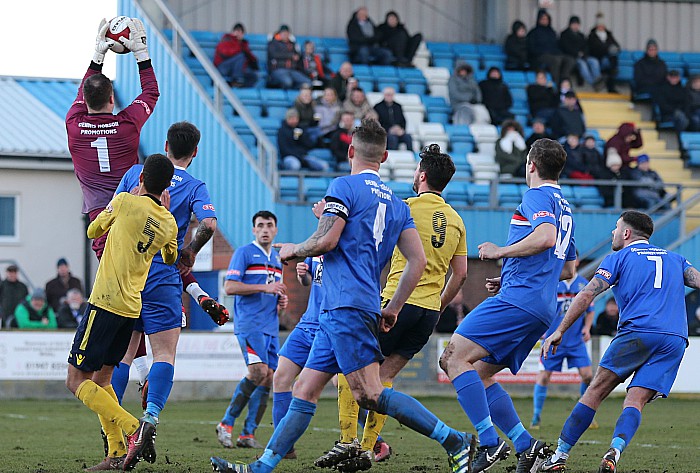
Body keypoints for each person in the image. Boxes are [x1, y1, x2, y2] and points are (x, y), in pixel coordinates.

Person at [211, 119, 475, 473]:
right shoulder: (399, 205)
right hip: (353, 306)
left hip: (344, 307)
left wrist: (293, 251)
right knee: (304, 388)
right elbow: (419, 261)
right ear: (383, 156)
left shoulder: (344, 187)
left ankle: (454, 439)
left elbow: (326, 240)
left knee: (371, 393)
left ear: (351, 151)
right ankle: (261, 467)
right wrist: (394, 306)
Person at [325, 144, 468, 470]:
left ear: (421, 175)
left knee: (349, 374)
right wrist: (438, 305)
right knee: (383, 380)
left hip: (396, 304)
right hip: (428, 313)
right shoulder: (457, 220)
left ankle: (348, 443)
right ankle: (366, 448)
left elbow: (371, 244)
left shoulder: (404, 208)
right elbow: (461, 274)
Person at [439, 138, 576, 473]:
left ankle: (488, 442)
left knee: (452, 357)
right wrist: (511, 276)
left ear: (531, 164)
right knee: (480, 374)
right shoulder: (565, 206)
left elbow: (544, 238)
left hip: (519, 301)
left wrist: (500, 253)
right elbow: (568, 268)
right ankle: (526, 446)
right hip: (538, 305)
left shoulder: (536, 196)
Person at [100, 122, 224, 469]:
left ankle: (119, 428)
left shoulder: (135, 175)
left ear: (165, 145)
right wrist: (190, 251)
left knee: (123, 356)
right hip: (162, 278)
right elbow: (210, 225)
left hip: (127, 278)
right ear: (194, 152)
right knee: (164, 354)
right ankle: (150, 419)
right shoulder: (196, 186)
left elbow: (113, 214)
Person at [540, 211, 698, 473]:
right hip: (674, 339)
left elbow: (588, 293)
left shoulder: (618, 258)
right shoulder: (675, 258)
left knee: (595, 391)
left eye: (615, 228)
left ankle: (558, 457)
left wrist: (560, 329)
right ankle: (614, 450)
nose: (612, 233)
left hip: (637, 332)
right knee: (635, 401)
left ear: (626, 233)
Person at [65, 154, 178, 472]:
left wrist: (109, 214)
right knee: (102, 379)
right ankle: (115, 454)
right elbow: (170, 258)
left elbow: (92, 231)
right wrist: (161, 216)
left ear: (141, 176)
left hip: (104, 303)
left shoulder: (126, 201)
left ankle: (133, 429)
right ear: (167, 187)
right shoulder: (168, 222)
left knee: (75, 381)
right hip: (131, 309)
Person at [66, 18, 157, 260]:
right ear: (112, 100)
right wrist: (141, 53)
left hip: (100, 217)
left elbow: (82, 91)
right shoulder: (127, 125)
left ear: (85, 101)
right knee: (138, 279)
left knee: (110, 283)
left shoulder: (74, 125)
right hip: (132, 210)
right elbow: (150, 93)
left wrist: (98, 55)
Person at [216, 211, 288, 450]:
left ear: (276, 229)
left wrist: (280, 301)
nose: (265, 229)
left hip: (270, 326)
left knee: (269, 377)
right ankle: (226, 423)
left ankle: (248, 434)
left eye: (269, 225)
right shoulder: (244, 253)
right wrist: (265, 289)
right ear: (254, 230)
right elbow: (229, 286)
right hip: (250, 324)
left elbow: (273, 291)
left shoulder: (277, 259)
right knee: (257, 372)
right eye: (260, 225)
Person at [531, 255, 595, 430]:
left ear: (578, 261)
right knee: (544, 377)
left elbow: (590, 310)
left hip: (575, 341)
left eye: (572, 259)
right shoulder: (553, 282)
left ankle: (584, 414)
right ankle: (536, 416)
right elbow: (541, 307)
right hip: (552, 340)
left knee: (588, 376)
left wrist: (587, 328)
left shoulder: (584, 284)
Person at [271, 253, 325, 461]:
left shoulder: (343, 240)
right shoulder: (317, 244)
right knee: (281, 378)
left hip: (330, 325)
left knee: (349, 387)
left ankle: (375, 441)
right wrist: (303, 275)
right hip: (307, 323)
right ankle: (285, 448)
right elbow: (309, 282)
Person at [526, 9, 576, 88]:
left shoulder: (552, 32)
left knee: (570, 60)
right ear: (538, 20)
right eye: (543, 19)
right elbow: (531, 48)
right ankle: (556, 83)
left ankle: (564, 81)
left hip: (554, 54)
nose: (545, 21)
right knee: (556, 60)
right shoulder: (533, 32)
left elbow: (557, 46)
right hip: (539, 56)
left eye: (546, 19)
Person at [559, 16, 603, 89]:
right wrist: (577, 53)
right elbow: (566, 48)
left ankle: (598, 80)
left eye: (577, 24)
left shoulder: (581, 35)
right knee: (583, 65)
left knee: (594, 61)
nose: (576, 26)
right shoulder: (564, 35)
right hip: (573, 57)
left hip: (583, 56)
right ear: (570, 25)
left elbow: (586, 46)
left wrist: (583, 53)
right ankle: (593, 83)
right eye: (574, 24)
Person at [214, 23, 259, 88]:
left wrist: (253, 61)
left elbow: (251, 57)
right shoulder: (227, 39)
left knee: (253, 76)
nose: (239, 34)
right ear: (233, 32)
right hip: (223, 67)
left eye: (241, 32)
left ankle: (239, 89)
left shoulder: (243, 44)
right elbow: (225, 53)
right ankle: (237, 80)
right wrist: (239, 46)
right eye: (237, 31)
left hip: (237, 69)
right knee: (241, 56)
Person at [267, 25, 309, 90]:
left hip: (292, 70)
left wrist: (297, 56)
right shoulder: (273, 43)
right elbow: (274, 54)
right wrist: (291, 56)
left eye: (286, 33)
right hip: (278, 69)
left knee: (307, 82)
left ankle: (296, 95)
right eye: (283, 33)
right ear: (279, 34)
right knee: (287, 82)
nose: (285, 35)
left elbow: (298, 54)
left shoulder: (293, 44)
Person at [588, 12, 621, 93]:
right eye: (599, 25)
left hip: (608, 58)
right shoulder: (592, 36)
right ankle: (609, 83)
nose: (601, 27)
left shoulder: (609, 35)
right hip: (598, 59)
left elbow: (617, 46)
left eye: (602, 25)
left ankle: (608, 82)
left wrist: (612, 49)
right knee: (611, 62)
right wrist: (609, 48)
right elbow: (595, 48)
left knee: (612, 59)